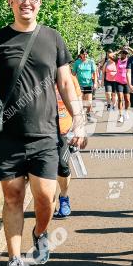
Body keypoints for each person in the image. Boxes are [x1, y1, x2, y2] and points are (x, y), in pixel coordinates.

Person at [0, 0, 85, 266]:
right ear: (11, 2)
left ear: (39, 3)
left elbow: (66, 84)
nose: (26, 2)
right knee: (13, 196)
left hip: (45, 133)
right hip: (6, 135)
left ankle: (40, 232)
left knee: (46, 197)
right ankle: (15, 259)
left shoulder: (53, 39)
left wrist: (79, 119)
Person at [53, 75, 81, 219]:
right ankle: (47, 202)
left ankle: (64, 197)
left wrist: (79, 128)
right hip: (41, 130)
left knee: (63, 166)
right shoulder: (39, 73)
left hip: (63, 130)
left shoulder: (69, 78)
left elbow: (78, 102)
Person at [72, 48, 98, 122]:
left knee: (89, 102)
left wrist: (95, 83)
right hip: (79, 85)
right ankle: (82, 115)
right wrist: (73, 83)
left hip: (88, 84)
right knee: (81, 101)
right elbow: (73, 74)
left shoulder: (91, 62)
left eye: (86, 54)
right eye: (83, 54)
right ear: (81, 55)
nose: (85, 55)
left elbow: (94, 73)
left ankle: (88, 113)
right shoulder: (77, 63)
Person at [114, 47, 130, 123]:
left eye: (126, 53)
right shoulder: (118, 60)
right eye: (123, 53)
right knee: (120, 99)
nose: (124, 54)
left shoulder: (129, 61)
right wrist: (118, 51)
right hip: (118, 82)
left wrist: (129, 48)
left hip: (127, 82)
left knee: (127, 99)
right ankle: (120, 116)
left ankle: (126, 112)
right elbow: (110, 55)